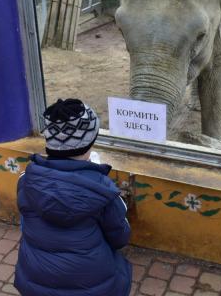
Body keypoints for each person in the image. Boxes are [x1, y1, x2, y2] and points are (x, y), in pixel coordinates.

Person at [14, 98, 132, 296]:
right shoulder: (103, 189)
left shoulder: (26, 180)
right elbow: (120, 236)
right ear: (90, 143)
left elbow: (25, 223)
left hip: (35, 280)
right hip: (93, 285)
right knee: (120, 267)